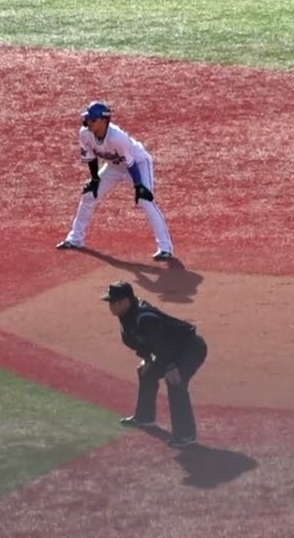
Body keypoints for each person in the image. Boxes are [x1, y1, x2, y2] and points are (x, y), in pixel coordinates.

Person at [57, 101, 175, 261]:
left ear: (104, 120)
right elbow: (91, 158)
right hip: (114, 166)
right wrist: (95, 179)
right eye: (87, 119)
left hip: (138, 164)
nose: (88, 123)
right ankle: (75, 239)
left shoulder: (117, 138)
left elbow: (131, 163)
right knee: (89, 195)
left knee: (145, 201)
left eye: (92, 120)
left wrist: (139, 186)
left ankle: (165, 248)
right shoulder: (85, 133)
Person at [103, 280, 207, 448]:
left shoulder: (145, 317)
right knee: (146, 372)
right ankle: (145, 417)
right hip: (171, 350)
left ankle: (186, 435)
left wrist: (171, 367)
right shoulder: (126, 316)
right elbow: (142, 343)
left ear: (125, 301)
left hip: (190, 348)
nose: (110, 306)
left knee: (175, 382)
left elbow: (160, 344)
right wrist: (148, 360)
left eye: (113, 302)